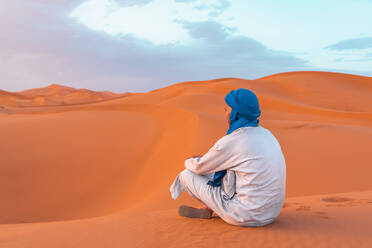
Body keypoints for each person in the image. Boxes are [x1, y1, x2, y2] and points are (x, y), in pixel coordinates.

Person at [169, 88, 286, 227]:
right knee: (227, 171)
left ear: (235, 113)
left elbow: (199, 167)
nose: (225, 114)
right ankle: (213, 207)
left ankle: (215, 207)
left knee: (186, 175)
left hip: (246, 215)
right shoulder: (268, 135)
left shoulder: (235, 139)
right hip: (271, 214)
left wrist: (189, 161)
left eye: (226, 110)